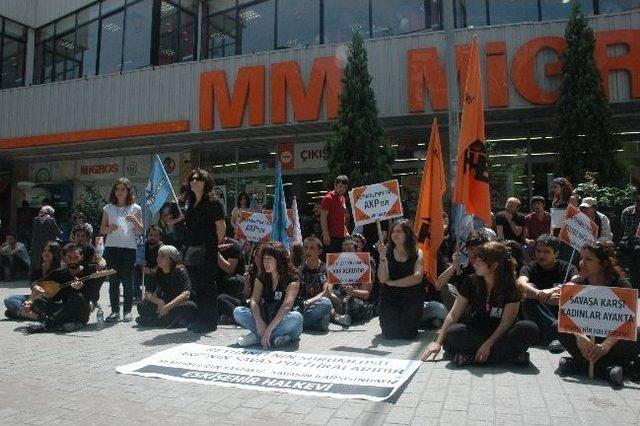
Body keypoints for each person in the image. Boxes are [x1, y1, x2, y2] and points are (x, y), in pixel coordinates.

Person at [421, 241, 539, 366]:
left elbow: (506, 323)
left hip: (501, 335)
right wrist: (437, 342)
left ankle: (471, 358)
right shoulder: (471, 282)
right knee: (454, 333)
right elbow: (454, 314)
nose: (475, 263)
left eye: (480, 261)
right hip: (477, 333)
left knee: (529, 328)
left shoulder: (512, 287)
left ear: (493, 265)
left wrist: (488, 345)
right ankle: (511, 358)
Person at [557, 242, 639, 386]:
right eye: (581, 258)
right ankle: (607, 370)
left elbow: (627, 321)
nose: (582, 263)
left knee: (637, 333)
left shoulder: (622, 285)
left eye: (588, 259)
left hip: (611, 342)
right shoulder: (577, 284)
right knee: (558, 326)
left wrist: (606, 345)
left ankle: (578, 364)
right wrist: (579, 336)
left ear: (603, 263)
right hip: (585, 341)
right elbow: (566, 316)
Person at [233, 243, 303, 347]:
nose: (265, 262)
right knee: (238, 312)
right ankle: (276, 338)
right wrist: (258, 321)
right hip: (265, 318)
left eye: (270, 258)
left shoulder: (292, 278)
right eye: (264, 258)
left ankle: (259, 337)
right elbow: (254, 301)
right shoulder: (262, 277)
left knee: (296, 317)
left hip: (283, 320)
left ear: (279, 260)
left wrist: (269, 329)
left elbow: (287, 305)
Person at [182, 168, 226, 333]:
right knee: (197, 286)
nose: (194, 181)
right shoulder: (191, 202)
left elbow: (221, 227)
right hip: (192, 249)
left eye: (198, 179)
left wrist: (213, 245)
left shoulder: (214, 203)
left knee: (207, 286)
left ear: (206, 182)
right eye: (192, 179)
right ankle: (200, 318)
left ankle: (209, 322)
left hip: (207, 250)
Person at [517, 234, 577, 352]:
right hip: (538, 319)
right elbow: (520, 283)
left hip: (559, 314)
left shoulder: (567, 267)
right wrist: (539, 294)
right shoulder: (530, 267)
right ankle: (555, 331)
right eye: (538, 251)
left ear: (556, 254)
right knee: (527, 289)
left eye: (546, 252)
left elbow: (576, 281)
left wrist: (552, 290)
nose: (541, 255)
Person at [23, 243, 99, 333]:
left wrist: (81, 288)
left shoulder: (89, 272)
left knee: (76, 297)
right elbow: (38, 282)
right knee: (39, 301)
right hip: (64, 308)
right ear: (65, 258)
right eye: (69, 258)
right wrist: (31, 298)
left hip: (80, 311)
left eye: (76, 258)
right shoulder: (59, 273)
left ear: (81, 257)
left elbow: (95, 297)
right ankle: (59, 322)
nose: (72, 261)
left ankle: (49, 323)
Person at [100, 177, 143, 323]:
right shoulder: (108, 208)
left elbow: (140, 231)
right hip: (112, 248)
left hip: (128, 248)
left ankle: (127, 312)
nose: (120, 192)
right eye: (117, 189)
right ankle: (114, 311)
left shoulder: (136, 208)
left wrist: (134, 221)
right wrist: (109, 228)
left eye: (123, 189)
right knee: (113, 281)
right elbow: (102, 228)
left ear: (128, 191)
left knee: (127, 281)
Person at [377, 219, 426, 339]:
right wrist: (382, 258)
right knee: (390, 334)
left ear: (407, 234)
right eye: (393, 232)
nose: (395, 235)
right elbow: (383, 279)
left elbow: (417, 277)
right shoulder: (386, 252)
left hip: (411, 297)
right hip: (389, 297)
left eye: (399, 231)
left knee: (408, 334)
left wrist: (394, 283)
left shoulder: (417, 252)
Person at [136, 245, 197, 328]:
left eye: (162, 256)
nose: (158, 258)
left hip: (176, 303)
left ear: (171, 259)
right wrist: (159, 302)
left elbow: (186, 294)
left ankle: (156, 321)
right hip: (162, 303)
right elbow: (147, 294)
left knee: (190, 306)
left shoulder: (180, 271)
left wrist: (167, 307)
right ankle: (168, 321)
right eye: (158, 255)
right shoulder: (156, 271)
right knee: (141, 305)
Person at [435, 229, 493, 311]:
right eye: (471, 249)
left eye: (478, 250)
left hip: (487, 311)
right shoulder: (464, 270)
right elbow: (439, 285)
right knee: (447, 289)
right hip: (465, 311)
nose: (474, 254)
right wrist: (454, 266)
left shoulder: (491, 268)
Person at [4, 241, 62, 320]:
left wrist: (31, 301)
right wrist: (30, 300)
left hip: (48, 300)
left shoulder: (61, 270)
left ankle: (18, 312)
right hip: (34, 296)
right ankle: (32, 315)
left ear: (55, 253)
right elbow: (33, 285)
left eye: (49, 251)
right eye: (44, 251)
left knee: (40, 305)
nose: (46, 253)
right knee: (9, 300)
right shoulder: (38, 269)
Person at [329, 237, 377, 326]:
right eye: (344, 250)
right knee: (326, 299)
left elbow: (366, 294)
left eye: (349, 250)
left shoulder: (367, 262)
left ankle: (336, 315)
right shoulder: (339, 261)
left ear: (357, 249)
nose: (346, 253)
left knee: (354, 304)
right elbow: (332, 286)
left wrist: (353, 291)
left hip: (358, 299)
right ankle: (338, 316)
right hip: (342, 297)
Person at [297, 236, 332, 331]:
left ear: (319, 251)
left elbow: (327, 292)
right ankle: (314, 323)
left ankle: (300, 325)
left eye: (312, 248)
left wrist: (309, 302)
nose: (308, 251)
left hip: (315, 305)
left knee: (326, 303)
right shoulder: (299, 269)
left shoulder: (326, 269)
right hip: (301, 308)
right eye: (305, 247)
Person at [216, 237, 246, 323]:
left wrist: (216, 253)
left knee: (232, 282)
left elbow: (229, 269)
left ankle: (238, 318)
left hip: (232, 280)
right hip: (216, 279)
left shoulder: (233, 245)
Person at [132, 226, 163, 302]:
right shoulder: (143, 246)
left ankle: (152, 294)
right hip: (144, 268)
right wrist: (141, 264)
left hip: (156, 270)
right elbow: (137, 257)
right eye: (151, 235)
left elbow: (162, 265)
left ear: (160, 237)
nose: (153, 237)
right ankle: (137, 294)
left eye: (155, 236)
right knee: (135, 270)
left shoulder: (162, 248)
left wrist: (151, 271)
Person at [320, 175, 349, 253]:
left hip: (342, 236)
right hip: (331, 236)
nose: (342, 189)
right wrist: (326, 235)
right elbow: (323, 217)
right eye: (340, 186)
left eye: (344, 187)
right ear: (335, 185)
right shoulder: (328, 198)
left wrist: (346, 232)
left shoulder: (343, 198)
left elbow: (343, 217)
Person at [30, 205, 61, 269]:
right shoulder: (51, 219)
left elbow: (34, 232)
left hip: (37, 243)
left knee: (38, 259)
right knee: (49, 258)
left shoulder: (35, 220)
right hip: (48, 243)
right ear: (50, 213)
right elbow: (57, 231)